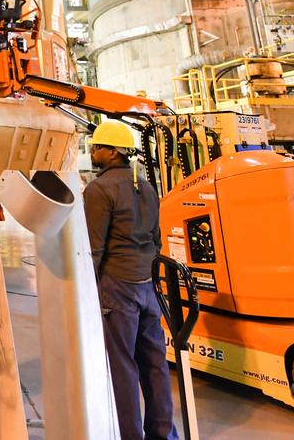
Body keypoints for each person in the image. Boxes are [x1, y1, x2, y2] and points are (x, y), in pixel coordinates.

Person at [84, 119, 177, 440]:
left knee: (122, 366)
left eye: (97, 146)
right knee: (154, 363)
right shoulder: (146, 185)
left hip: (118, 287)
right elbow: (156, 238)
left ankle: (129, 436)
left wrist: (86, 292)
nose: (92, 150)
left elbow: (93, 249)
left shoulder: (99, 189)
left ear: (112, 152)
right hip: (147, 284)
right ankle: (162, 433)